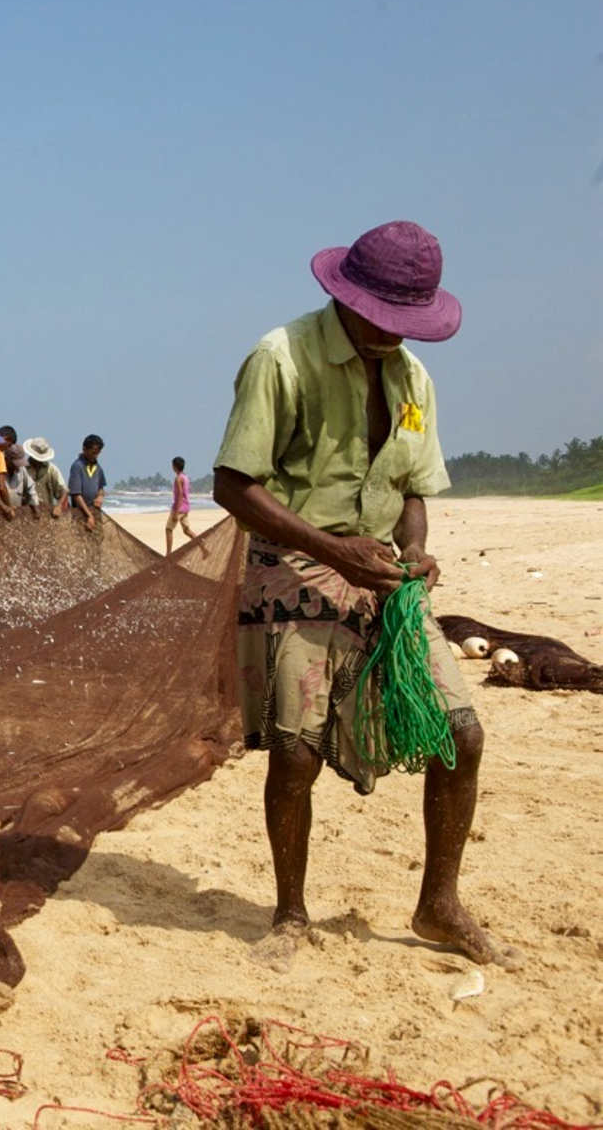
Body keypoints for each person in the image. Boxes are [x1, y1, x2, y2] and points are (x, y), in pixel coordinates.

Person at [212, 220, 507, 967]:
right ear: (349, 296)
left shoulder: (413, 380)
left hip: (380, 575)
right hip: (293, 563)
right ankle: (289, 916)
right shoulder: (281, 357)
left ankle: (439, 904)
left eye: (408, 324)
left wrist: (414, 549)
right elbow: (234, 485)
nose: (393, 335)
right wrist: (330, 548)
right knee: (295, 751)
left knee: (460, 735)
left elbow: (412, 487)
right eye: (384, 319)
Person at [23, 437, 69, 519]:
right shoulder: (23, 469)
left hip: (47, 513)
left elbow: (63, 490)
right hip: (25, 511)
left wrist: (59, 506)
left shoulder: (51, 469)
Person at [69, 434, 108, 528]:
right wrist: (89, 515)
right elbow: (76, 495)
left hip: (95, 512)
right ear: (84, 449)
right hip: (80, 513)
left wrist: (100, 497)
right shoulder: (77, 466)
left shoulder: (98, 468)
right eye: (93, 452)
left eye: (98, 453)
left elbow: (101, 488)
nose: (95, 456)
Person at [166, 456, 194, 552]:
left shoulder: (178, 479)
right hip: (186, 507)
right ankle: (203, 547)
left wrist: (176, 512)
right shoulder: (185, 477)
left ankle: (168, 554)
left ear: (174, 466)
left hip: (179, 508)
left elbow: (180, 495)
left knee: (168, 529)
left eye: (172, 465)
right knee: (187, 530)